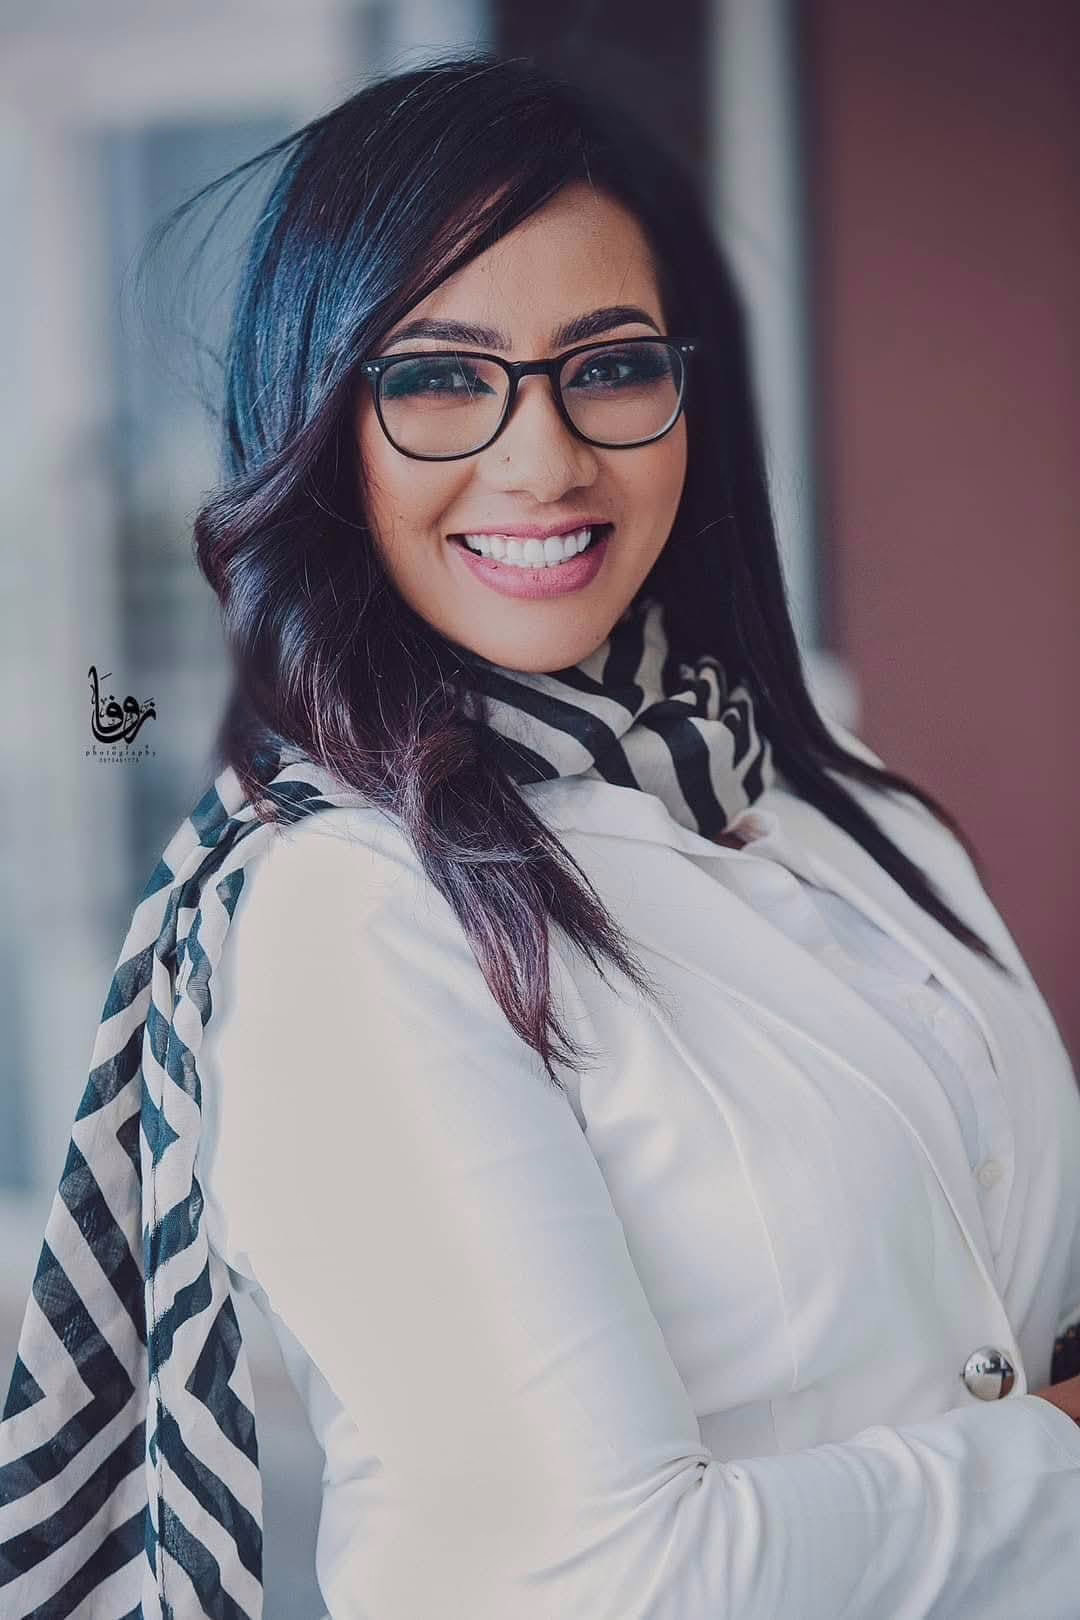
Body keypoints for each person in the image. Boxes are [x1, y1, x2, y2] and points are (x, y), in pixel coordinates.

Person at [3, 49, 1080, 1620]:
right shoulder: (344, 913)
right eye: (438, 378)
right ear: (321, 421)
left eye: (610, 364)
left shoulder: (820, 777)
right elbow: (587, 1586)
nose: (545, 458)